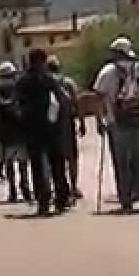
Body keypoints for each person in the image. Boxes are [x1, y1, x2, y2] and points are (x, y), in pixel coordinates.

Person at [93, 37, 139, 213]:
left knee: (121, 162)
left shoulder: (107, 72)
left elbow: (98, 97)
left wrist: (100, 120)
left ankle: (126, 199)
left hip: (117, 123)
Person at [17, 48, 73, 215]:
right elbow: (62, 99)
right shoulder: (50, 79)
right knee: (57, 162)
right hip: (51, 127)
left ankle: (43, 200)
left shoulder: (23, 81)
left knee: (37, 166)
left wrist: (22, 119)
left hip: (31, 128)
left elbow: (15, 102)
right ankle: (61, 198)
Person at [47, 55, 87, 200]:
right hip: (67, 123)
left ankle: (56, 186)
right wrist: (81, 122)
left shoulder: (46, 83)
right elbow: (77, 103)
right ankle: (73, 187)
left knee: (54, 158)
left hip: (50, 125)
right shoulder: (68, 82)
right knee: (71, 157)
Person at [0, 61, 32, 203]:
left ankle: (13, 190)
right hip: (21, 129)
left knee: (9, 162)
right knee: (22, 162)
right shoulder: (19, 86)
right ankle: (25, 187)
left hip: (6, 131)